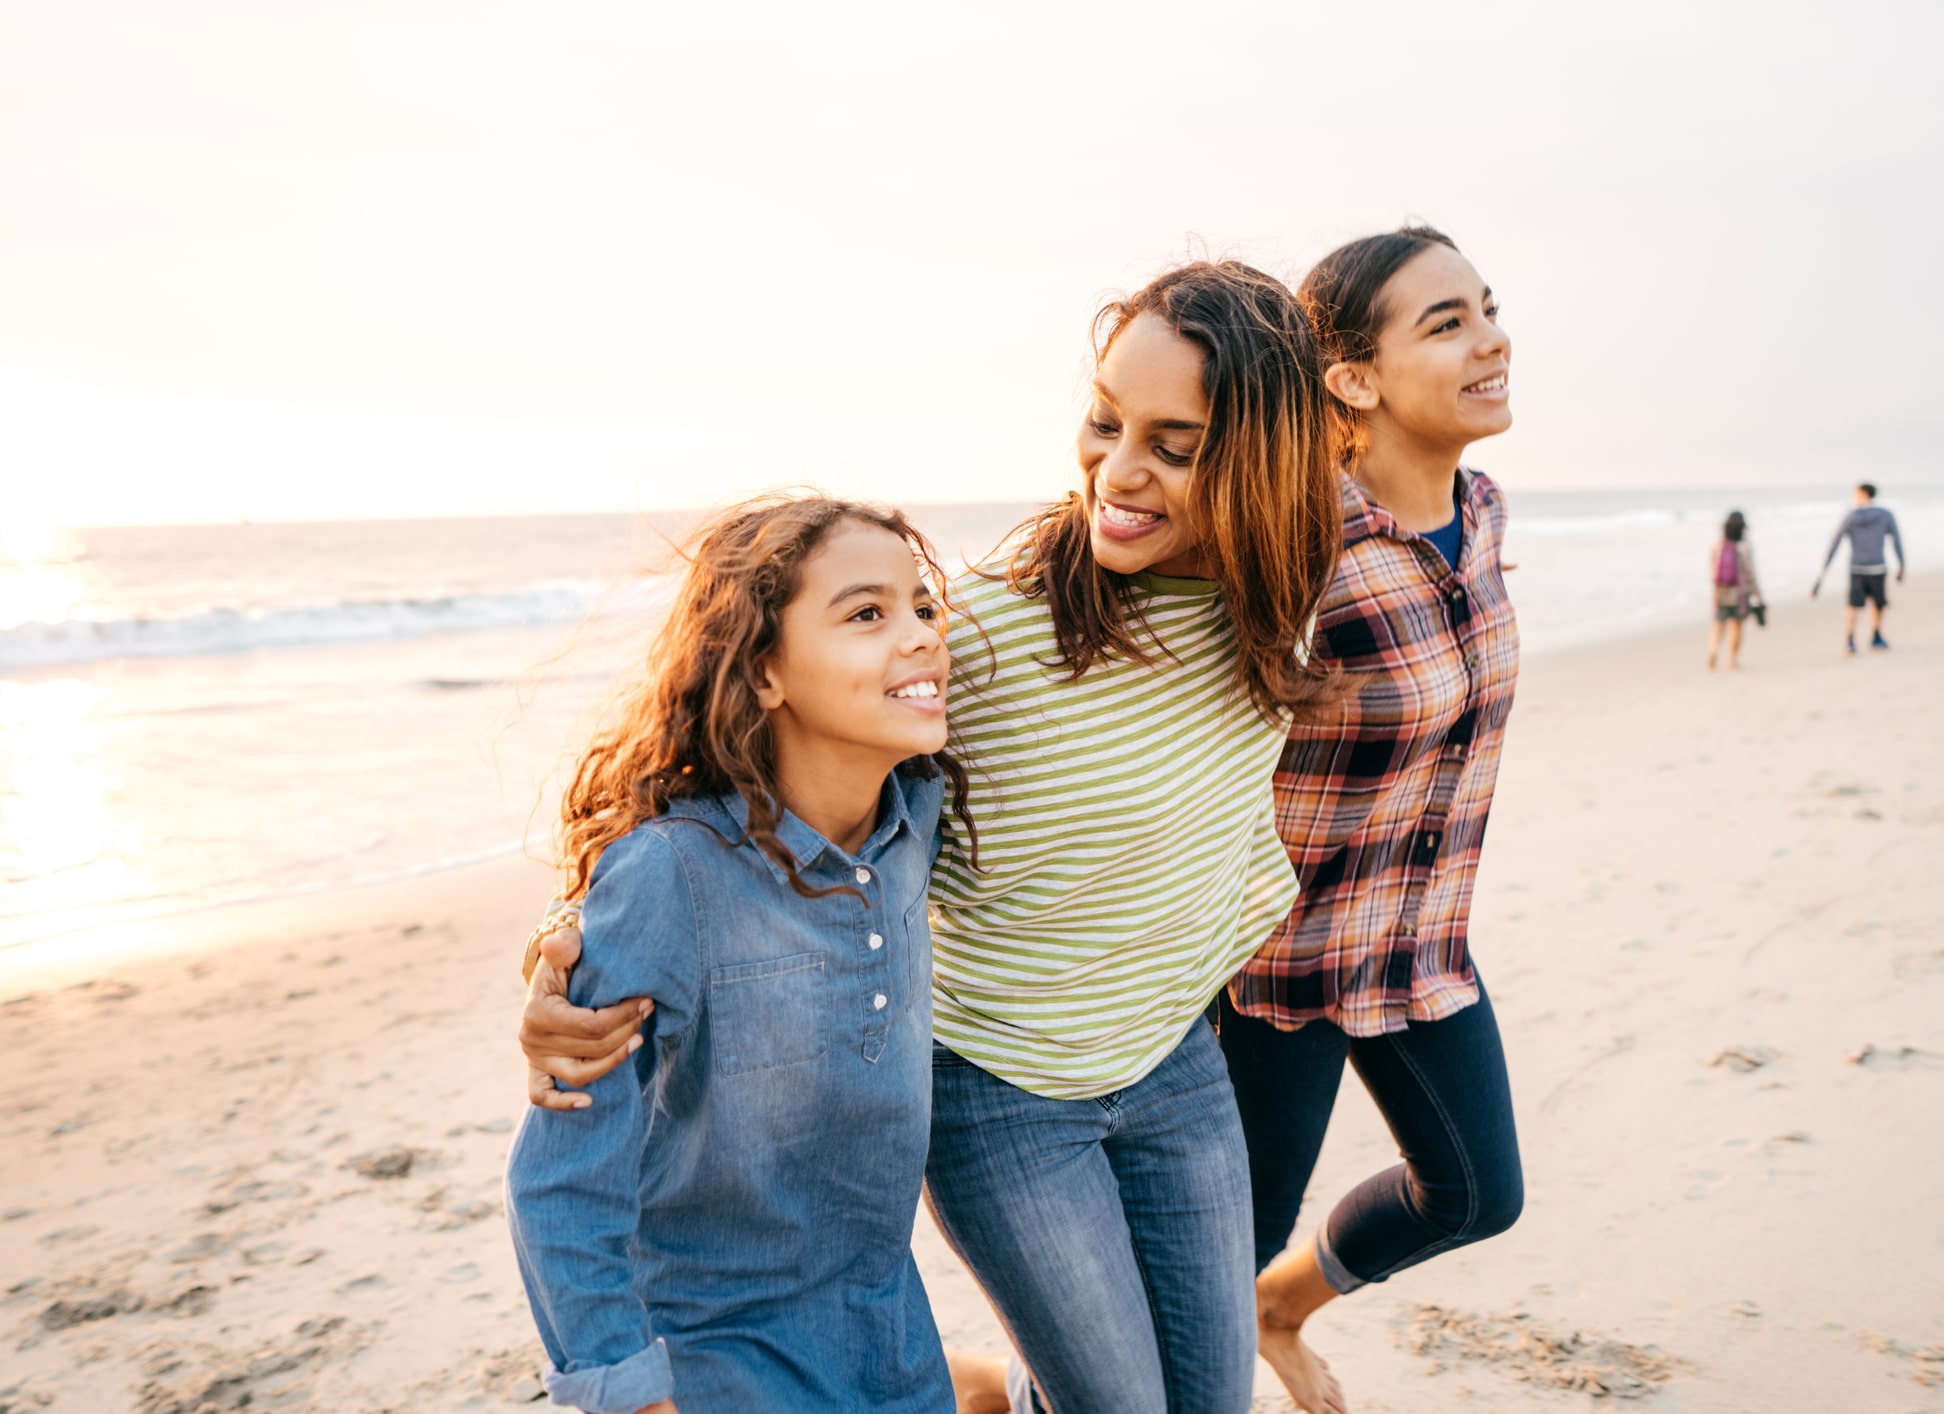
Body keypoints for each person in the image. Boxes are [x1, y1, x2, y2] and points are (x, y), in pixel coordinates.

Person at [517, 261, 1344, 1414]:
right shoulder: (985, 632)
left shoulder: (1289, 589)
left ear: (1263, 459)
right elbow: (761, 769)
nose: (1116, 468)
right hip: (1003, 1089)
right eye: (1103, 421)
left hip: (1175, 1061)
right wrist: (574, 940)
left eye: (1175, 441)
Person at [502, 495, 967, 1413]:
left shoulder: (915, 820)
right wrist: (633, 1397)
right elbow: (558, 1184)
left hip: (894, 1343)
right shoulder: (670, 876)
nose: (920, 637)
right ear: (762, 673)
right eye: (867, 614)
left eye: (922, 606)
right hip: (715, 1357)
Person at [1217, 226, 1526, 1414]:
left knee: (1472, 1192)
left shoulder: (1483, 512)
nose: (1491, 338)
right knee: (1184, 1282)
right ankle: (991, 1391)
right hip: (1270, 978)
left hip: (1417, 946)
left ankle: (1277, 1310)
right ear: (1349, 377)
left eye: (1488, 308)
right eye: (1444, 322)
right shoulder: (1293, 549)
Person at [1810, 481, 1905, 653]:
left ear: (1863, 494)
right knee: (1878, 603)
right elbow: (1896, 540)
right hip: (1878, 565)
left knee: (1853, 605)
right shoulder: (1885, 515)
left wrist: (1825, 566)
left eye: (1856, 493)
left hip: (1857, 567)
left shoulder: (1851, 516)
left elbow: (1835, 541)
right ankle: (1876, 635)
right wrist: (1902, 565)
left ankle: (1850, 639)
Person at [1708, 510, 1761, 669]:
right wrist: (1756, 593)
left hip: (1720, 591)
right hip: (1739, 593)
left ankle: (1713, 651)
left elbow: (1713, 569)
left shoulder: (1717, 545)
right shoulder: (1744, 546)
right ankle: (1732, 660)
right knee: (1737, 626)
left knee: (1718, 624)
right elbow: (1750, 572)